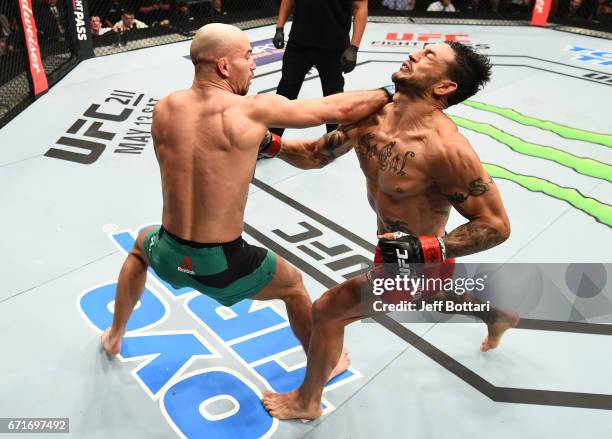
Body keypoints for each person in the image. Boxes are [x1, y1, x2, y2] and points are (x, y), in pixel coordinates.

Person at [100, 23, 393, 382]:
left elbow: (301, 154)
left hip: (169, 252)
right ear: (224, 66)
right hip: (221, 263)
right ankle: (325, 364)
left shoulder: (165, 108)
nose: (253, 64)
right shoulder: (250, 112)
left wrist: (295, 144)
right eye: (248, 55)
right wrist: (391, 91)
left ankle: (115, 335)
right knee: (295, 286)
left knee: (140, 247)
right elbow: (331, 107)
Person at [262, 41, 519, 420]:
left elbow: (496, 226)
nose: (415, 54)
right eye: (420, 49)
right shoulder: (372, 116)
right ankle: (496, 316)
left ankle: (308, 402)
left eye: (429, 57)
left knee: (327, 311)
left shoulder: (446, 149)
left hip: (414, 262)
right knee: (433, 293)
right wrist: (271, 143)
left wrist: (423, 250)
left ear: (444, 87)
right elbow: (318, 154)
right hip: (399, 249)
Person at [271, 0, 369, 135]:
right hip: (299, 41)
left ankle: (333, 141)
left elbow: (360, 7)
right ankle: (271, 141)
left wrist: (354, 47)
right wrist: (279, 28)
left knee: (333, 96)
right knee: (286, 91)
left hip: (334, 45)